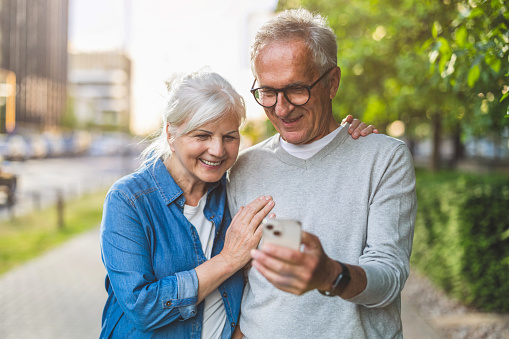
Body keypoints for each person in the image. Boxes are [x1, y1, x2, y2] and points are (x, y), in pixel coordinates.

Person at [99, 70, 375, 338]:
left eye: (229, 137)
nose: (218, 150)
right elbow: (142, 308)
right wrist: (228, 260)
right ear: (171, 134)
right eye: (202, 136)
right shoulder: (128, 201)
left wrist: (336, 140)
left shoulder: (237, 186)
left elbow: (284, 263)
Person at [227, 8, 417, 339]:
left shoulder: (384, 158)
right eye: (268, 92)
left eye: (296, 89)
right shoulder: (244, 167)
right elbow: (239, 277)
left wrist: (330, 274)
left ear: (332, 83)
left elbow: (389, 276)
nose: (281, 109)